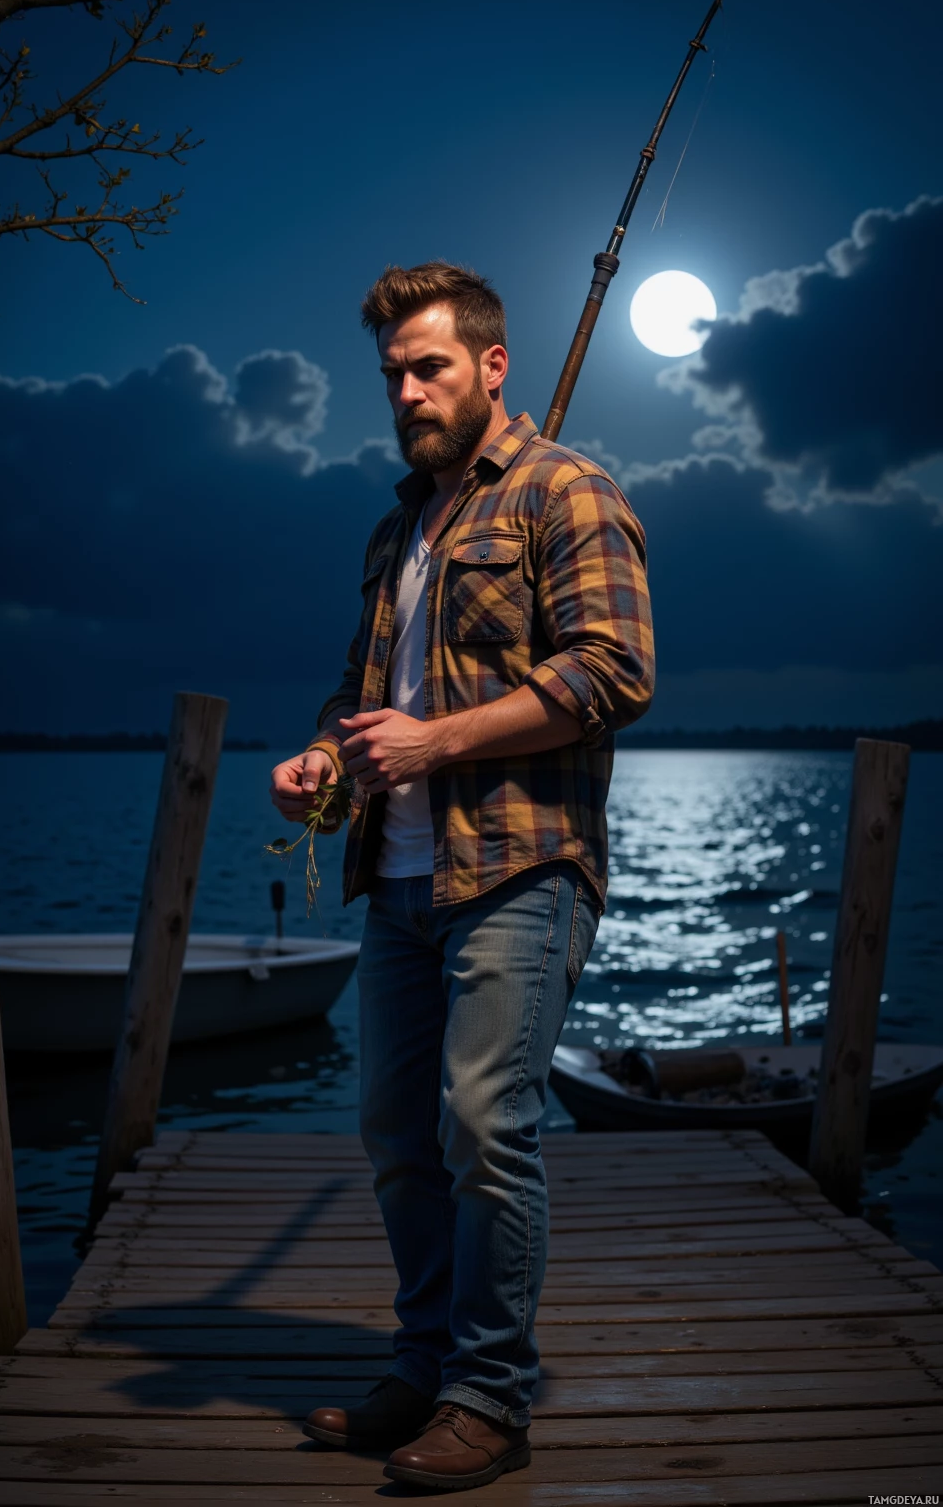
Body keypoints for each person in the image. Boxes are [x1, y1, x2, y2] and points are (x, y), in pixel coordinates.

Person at [270, 261, 654, 1491]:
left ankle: (491, 1399)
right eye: (391, 373)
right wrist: (327, 756)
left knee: (484, 1126)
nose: (407, 390)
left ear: (491, 366)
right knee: (395, 1133)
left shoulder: (568, 490)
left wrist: (439, 741)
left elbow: (612, 673)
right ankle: (425, 1367)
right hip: (396, 880)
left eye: (429, 365)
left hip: (522, 869)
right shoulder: (398, 529)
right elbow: (361, 692)